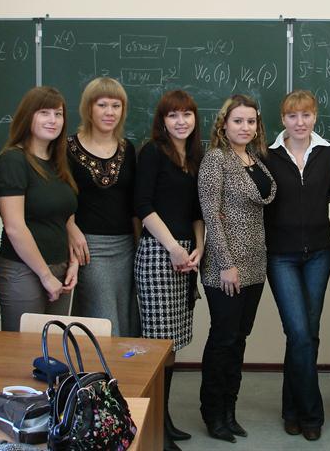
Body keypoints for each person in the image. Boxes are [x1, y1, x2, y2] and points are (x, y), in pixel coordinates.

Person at [198, 94, 276, 443]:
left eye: (251, 121)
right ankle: (212, 413)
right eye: (238, 121)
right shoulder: (216, 158)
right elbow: (210, 215)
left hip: (256, 264)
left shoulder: (254, 160)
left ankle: (229, 410)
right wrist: (227, 264)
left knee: (239, 339)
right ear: (224, 124)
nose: (245, 127)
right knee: (223, 338)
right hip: (225, 267)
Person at [263, 90, 330, 441]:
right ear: (283, 119)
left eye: (306, 115)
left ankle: (291, 409)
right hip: (281, 256)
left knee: (308, 333)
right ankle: (312, 415)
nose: (300, 122)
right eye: (292, 116)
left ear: (315, 116)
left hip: (320, 254)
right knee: (299, 333)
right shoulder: (267, 156)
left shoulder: (328, 154)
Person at [134, 89, 205, 451]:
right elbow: (143, 205)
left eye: (186, 114)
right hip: (158, 254)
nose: (181, 121)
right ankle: (153, 426)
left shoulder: (194, 156)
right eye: (173, 115)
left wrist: (199, 249)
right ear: (162, 121)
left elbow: (197, 211)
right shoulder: (152, 152)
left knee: (172, 344)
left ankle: (164, 419)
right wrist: (175, 248)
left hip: (186, 256)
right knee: (157, 345)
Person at [0, 86, 78, 332]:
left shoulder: (59, 162)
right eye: (44, 113)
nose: (53, 120)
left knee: (54, 347)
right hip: (24, 271)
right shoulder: (13, 160)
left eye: (58, 114)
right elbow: (14, 227)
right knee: (23, 348)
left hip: (60, 268)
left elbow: (64, 218)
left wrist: (73, 262)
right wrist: (45, 275)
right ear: (28, 116)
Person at [67, 77, 140, 337]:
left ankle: (121, 366)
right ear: (89, 108)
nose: (110, 112)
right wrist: (71, 229)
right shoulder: (68, 148)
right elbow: (60, 197)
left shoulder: (127, 149)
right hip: (90, 248)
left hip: (126, 247)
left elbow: (134, 203)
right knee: (105, 322)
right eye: (102, 105)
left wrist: (138, 244)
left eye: (116, 106)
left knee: (128, 322)